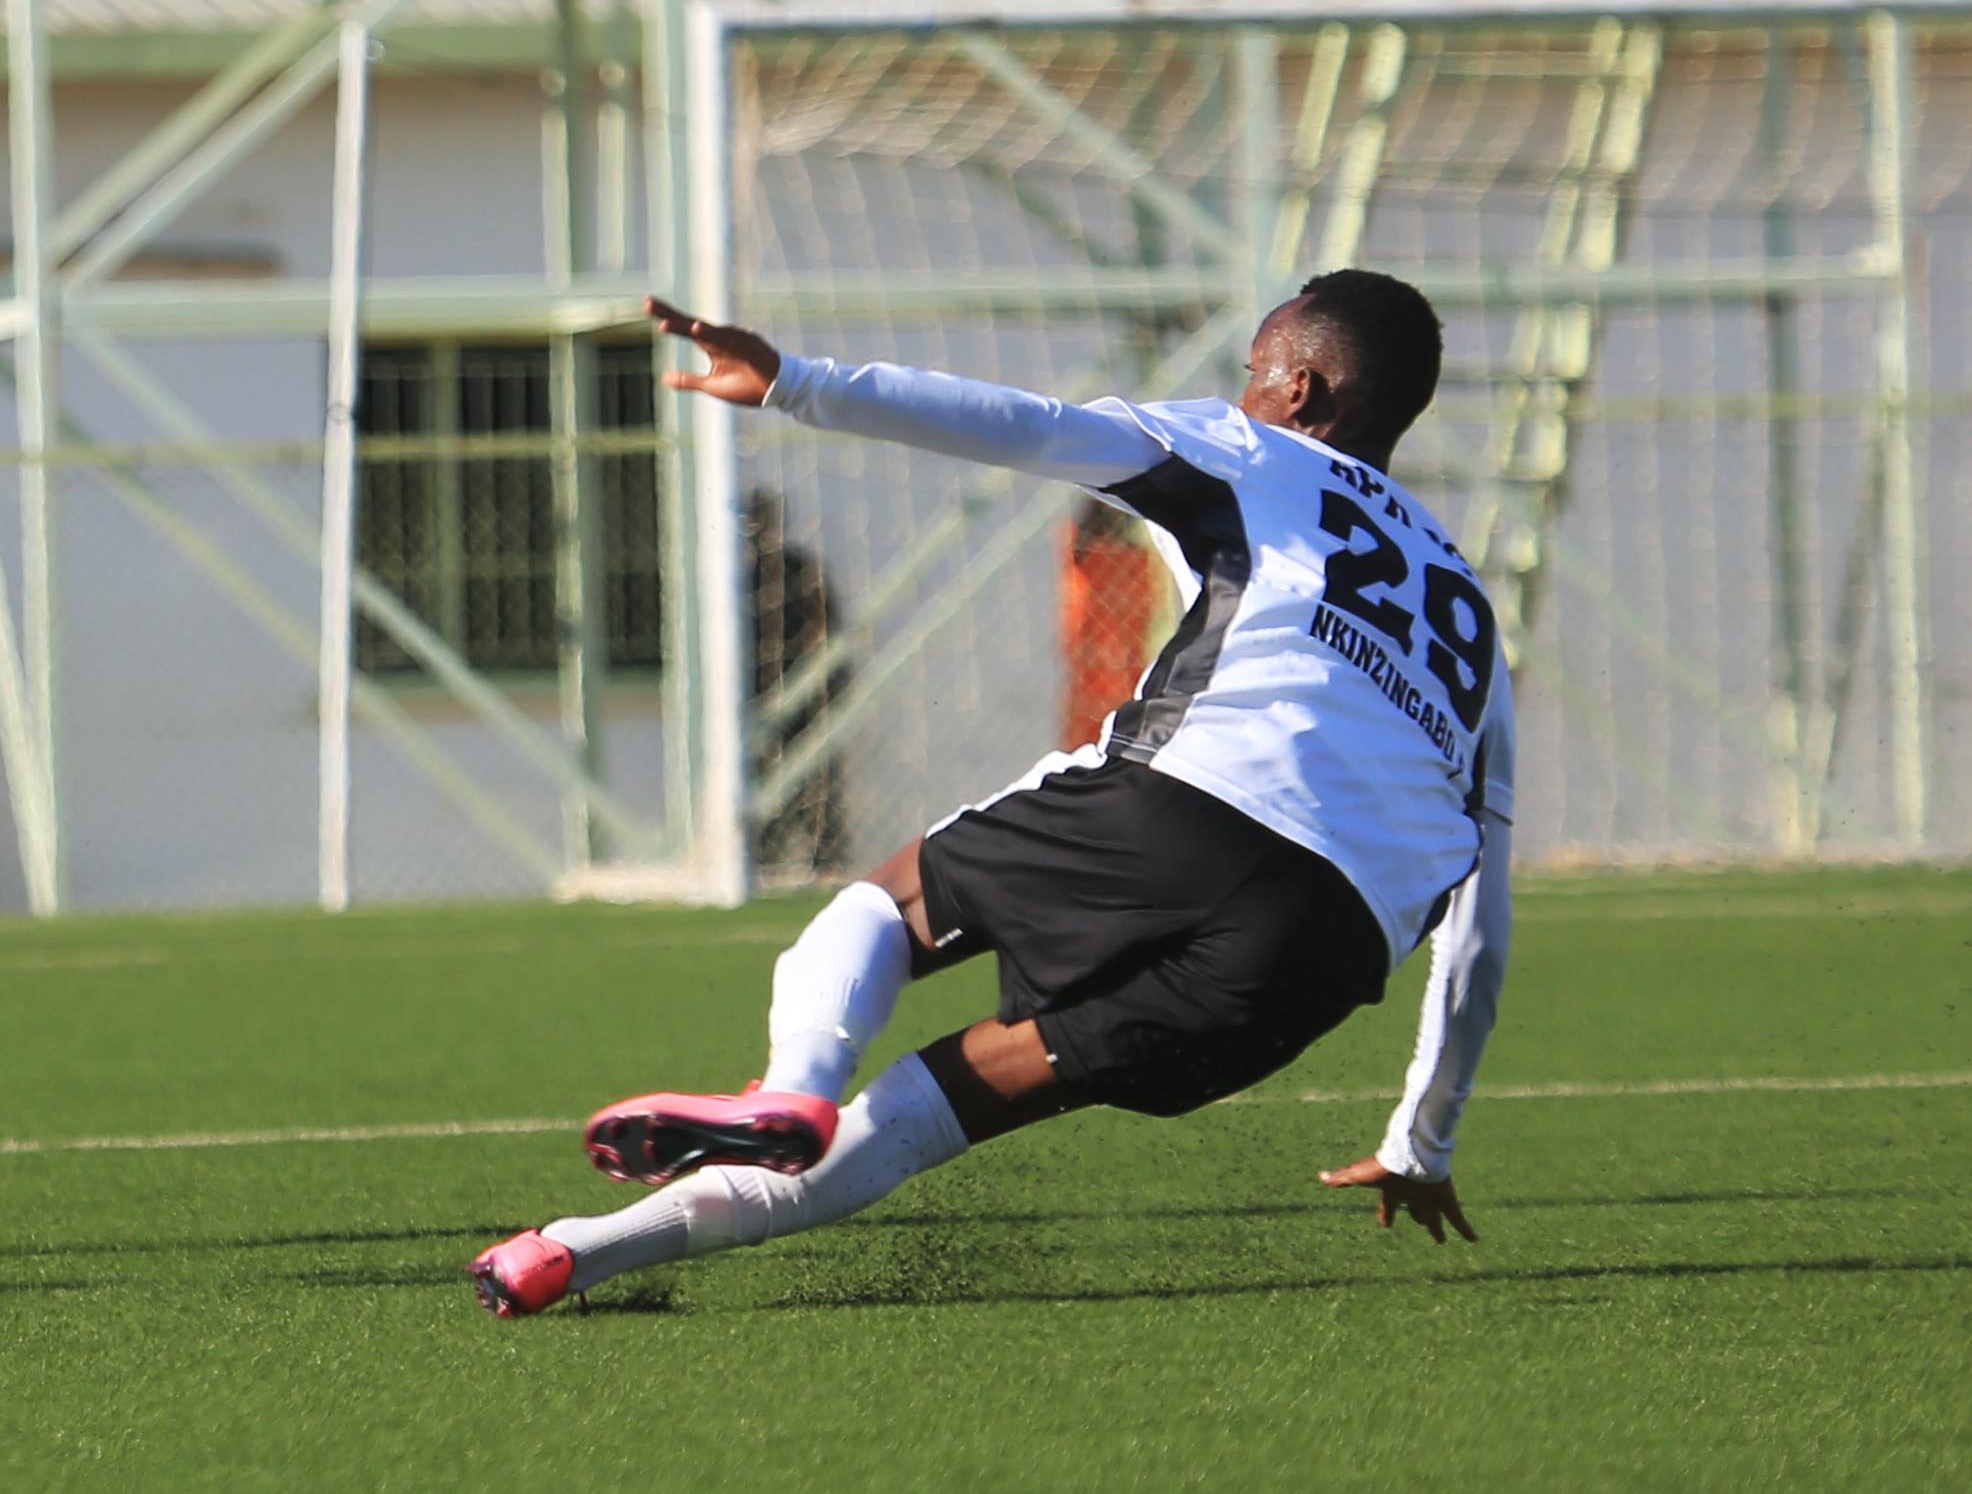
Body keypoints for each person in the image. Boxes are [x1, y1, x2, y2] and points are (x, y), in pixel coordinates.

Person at [472, 273, 1511, 1317]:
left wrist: (799, 384)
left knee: (887, 904)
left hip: (1196, 805)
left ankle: (795, 1087)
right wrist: (1421, 1139)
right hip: (1322, 955)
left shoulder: (1249, 452)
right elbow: (1484, 921)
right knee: (930, 1117)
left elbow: (1029, 426)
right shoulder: (1470, 618)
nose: (1239, 395)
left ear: (1302, 386)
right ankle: (569, 1254)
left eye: (1250, 375)